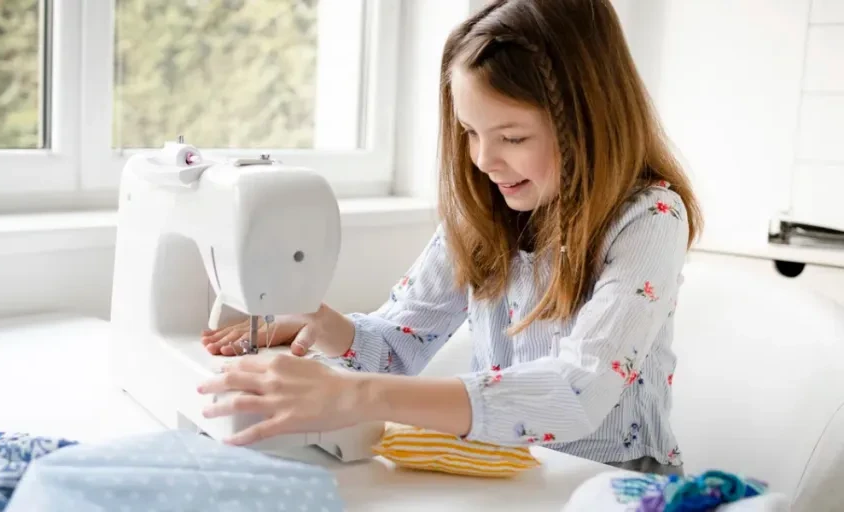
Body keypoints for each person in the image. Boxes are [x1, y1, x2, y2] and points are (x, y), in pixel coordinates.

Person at [196, 0, 702, 476]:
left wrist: (354, 394)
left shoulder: (650, 219)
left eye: (512, 137)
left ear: (591, 121)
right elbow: (398, 346)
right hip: (511, 471)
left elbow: (576, 392)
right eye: (470, 132)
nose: (483, 160)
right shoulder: (484, 212)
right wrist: (322, 322)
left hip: (614, 483)